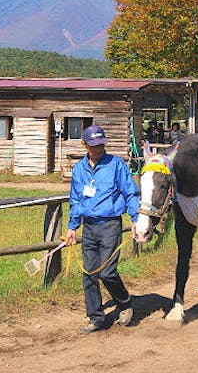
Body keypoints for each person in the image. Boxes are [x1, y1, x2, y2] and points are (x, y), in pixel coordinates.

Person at [65, 125, 139, 334]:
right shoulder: (79, 169)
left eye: (100, 145)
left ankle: (125, 303)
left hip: (110, 225)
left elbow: (130, 193)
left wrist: (134, 219)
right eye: (93, 146)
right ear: (84, 145)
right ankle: (96, 318)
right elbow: (76, 199)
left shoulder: (116, 165)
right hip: (89, 227)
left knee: (107, 272)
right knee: (89, 274)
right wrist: (72, 227)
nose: (97, 150)